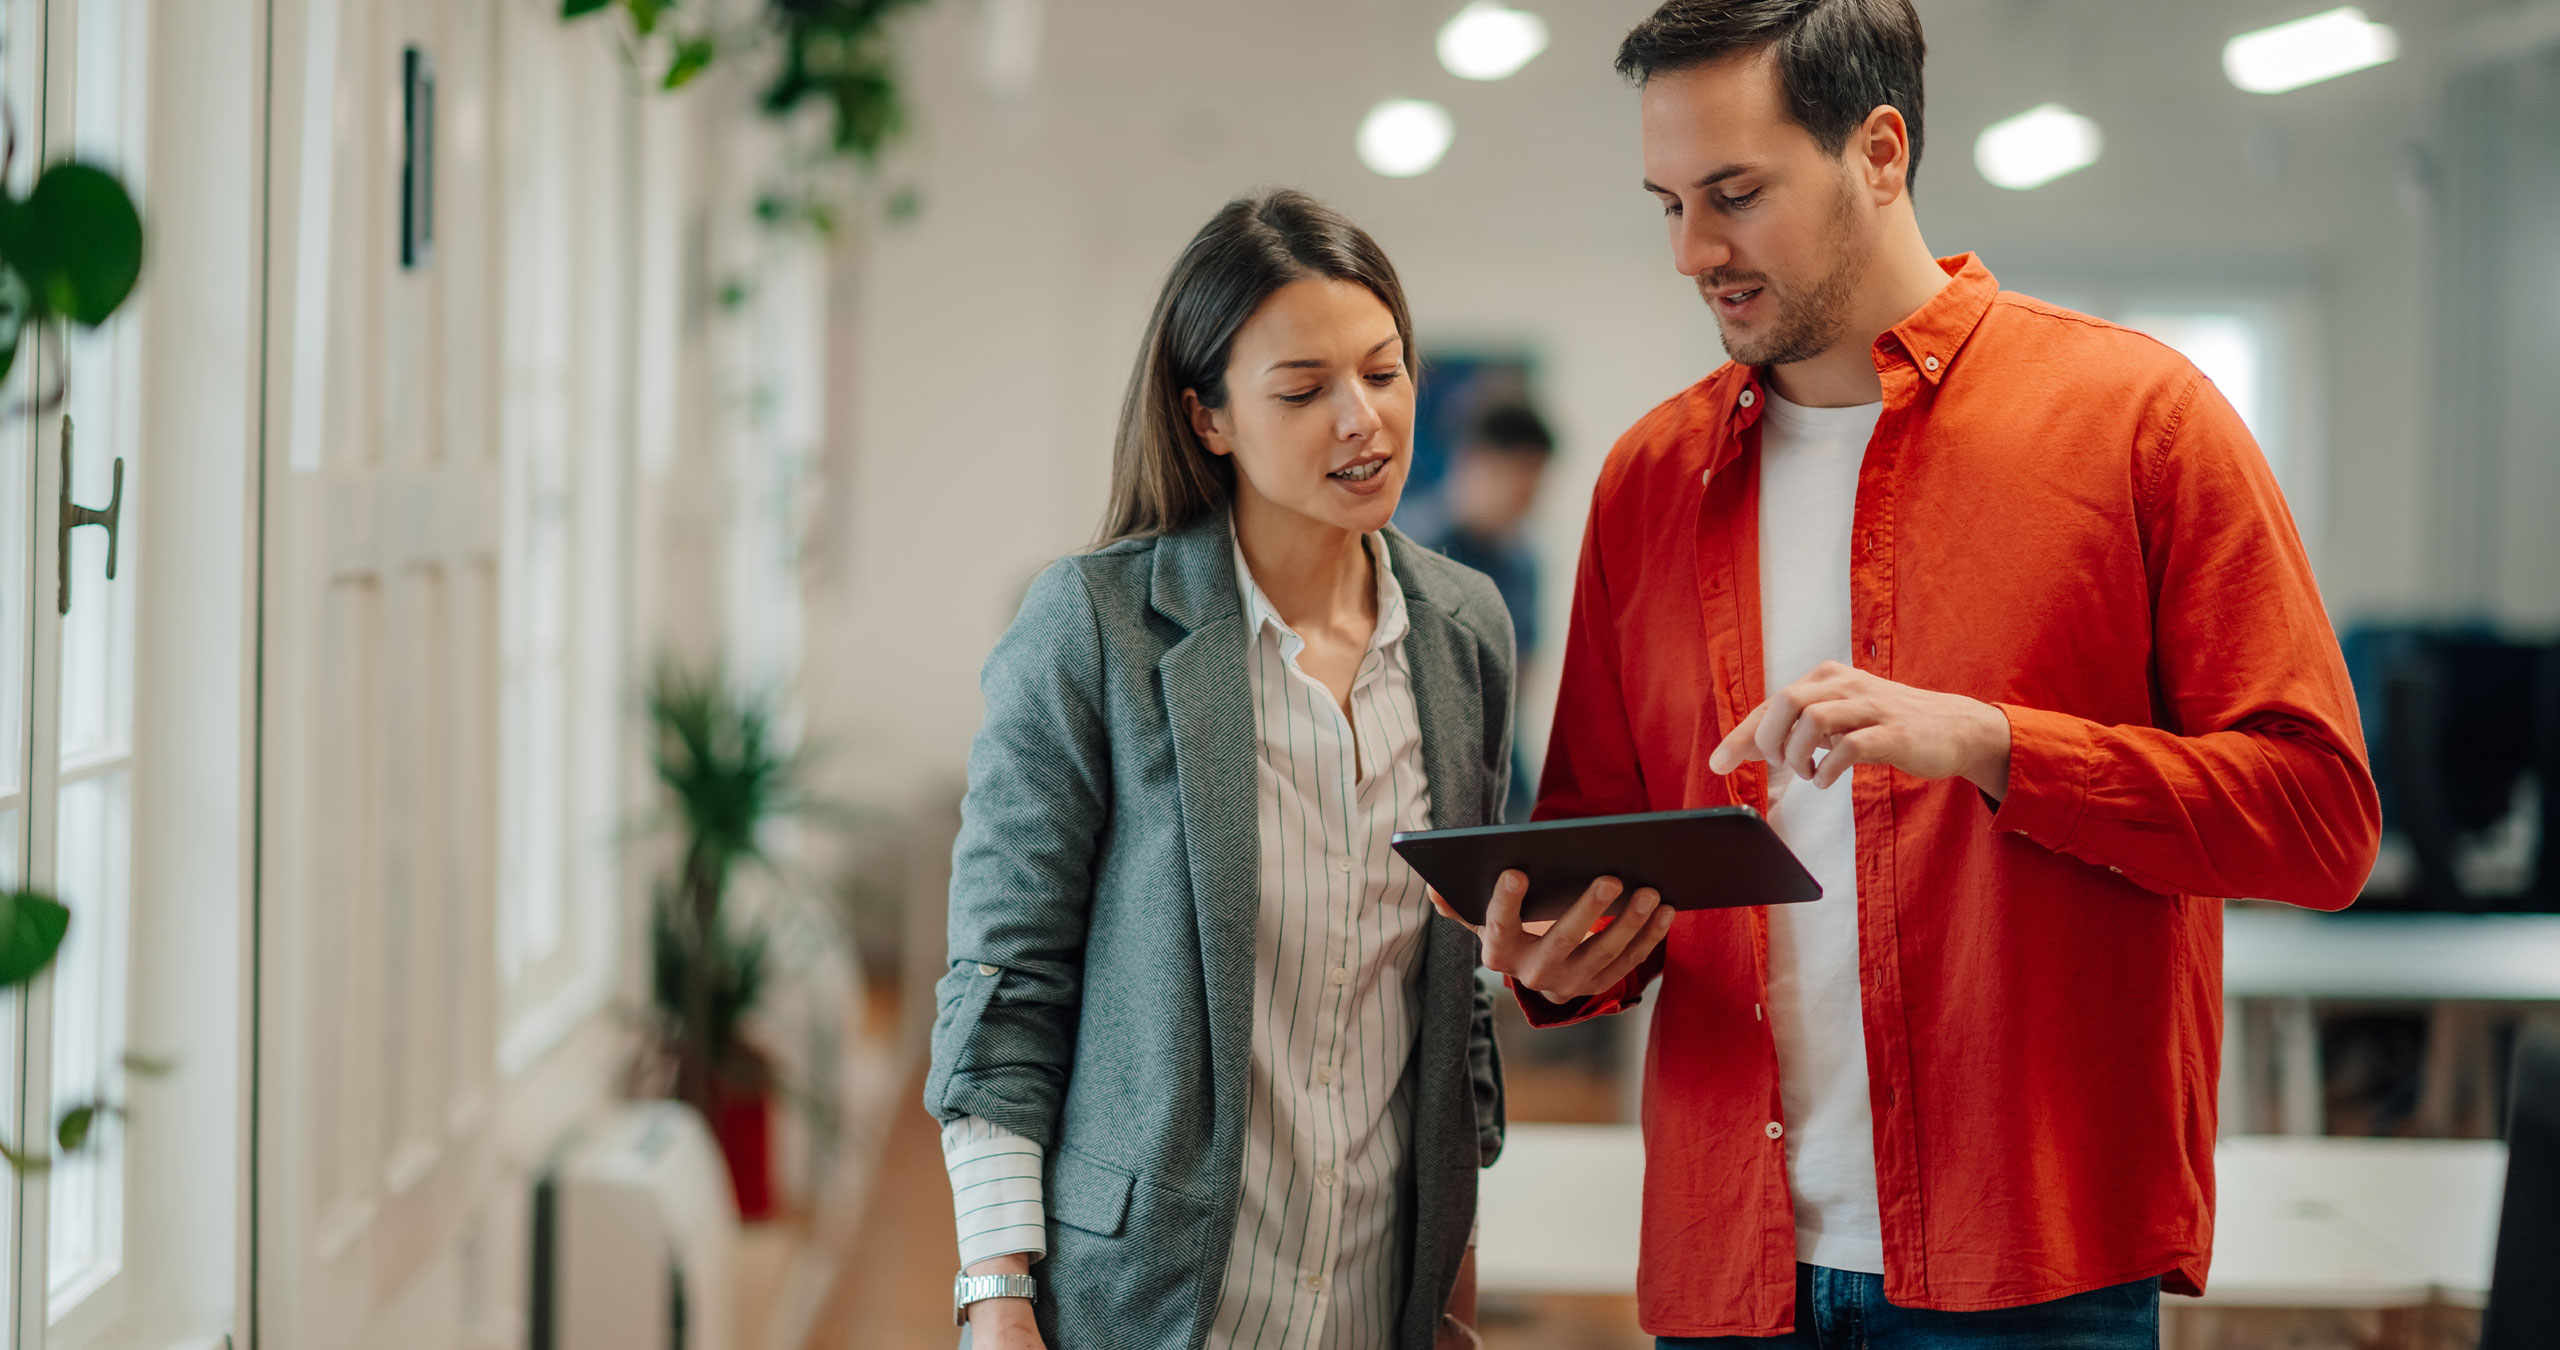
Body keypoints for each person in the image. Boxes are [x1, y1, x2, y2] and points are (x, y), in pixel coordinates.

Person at [1434, 2, 2383, 1346]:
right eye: (1667, 205)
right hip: (1733, 1265)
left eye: (1736, 194)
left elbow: (2321, 821)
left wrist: (2000, 743)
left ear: (1880, 152)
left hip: (2028, 1271)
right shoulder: (1651, 482)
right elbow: (1596, 854)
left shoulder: (2139, 424)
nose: (1695, 250)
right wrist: (1551, 958)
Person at [927, 188, 1512, 1350]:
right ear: (1208, 419)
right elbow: (1004, 982)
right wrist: (993, 1296)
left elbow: (1454, 995)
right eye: (1302, 391)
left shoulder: (1463, 631)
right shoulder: (1093, 627)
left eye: (1385, 372)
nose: (1363, 420)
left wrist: (1454, 1270)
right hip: (1146, 1305)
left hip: (1371, 1301)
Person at [1406, 403, 1557, 822]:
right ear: (1473, 462)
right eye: (1517, 483)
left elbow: (1524, 667)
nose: (1525, 502)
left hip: (1506, 760)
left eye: (1535, 487)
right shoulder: (1412, 550)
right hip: (1425, 766)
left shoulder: (1523, 561)